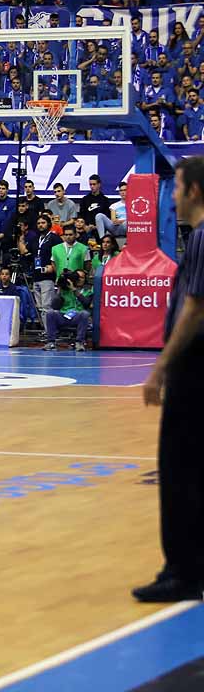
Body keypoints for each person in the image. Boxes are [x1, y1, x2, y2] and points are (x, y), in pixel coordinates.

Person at [136, 156, 204, 602]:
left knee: (179, 472)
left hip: (194, 373)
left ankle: (181, 571)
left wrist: (160, 368)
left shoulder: (201, 238)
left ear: (193, 191)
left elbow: (196, 309)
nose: (172, 196)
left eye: (176, 188)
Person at [43, 269, 92, 351]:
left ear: (85, 279)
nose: (79, 279)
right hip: (63, 315)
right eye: (78, 277)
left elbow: (86, 303)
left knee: (85, 314)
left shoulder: (88, 291)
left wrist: (74, 290)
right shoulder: (64, 289)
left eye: (82, 278)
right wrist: (59, 290)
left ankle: (79, 342)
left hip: (77, 316)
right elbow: (54, 306)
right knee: (50, 313)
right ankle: (51, 342)